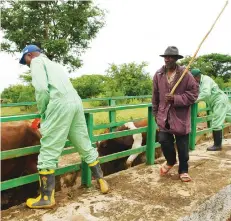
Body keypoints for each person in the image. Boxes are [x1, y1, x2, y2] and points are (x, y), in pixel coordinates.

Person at [19, 45, 109, 209]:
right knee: (83, 143)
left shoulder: (36, 63)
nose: (26, 64)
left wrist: (43, 111)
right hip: (75, 102)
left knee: (48, 149)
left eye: (25, 60)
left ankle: (46, 197)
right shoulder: (54, 65)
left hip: (59, 104)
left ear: (30, 55)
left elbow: (41, 90)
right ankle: (102, 181)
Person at [152, 46, 199, 182]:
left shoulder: (185, 75)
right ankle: (170, 161)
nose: (167, 59)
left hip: (180, 117)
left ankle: (183, 170)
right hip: (163, 116)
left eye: (170, 57)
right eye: (165, 57)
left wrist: (176, 98)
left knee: (182, 145)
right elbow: (155, 95)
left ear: (176, 59)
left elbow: (194, 94)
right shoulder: (158, 75)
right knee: (163, 140)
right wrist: (155, 113)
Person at [191, 68, 231, 151]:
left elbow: (205, 93)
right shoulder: (199, 83)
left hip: (219, 101)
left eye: (192, 78)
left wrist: (193, 100)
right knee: (228, 116)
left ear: (196, 77)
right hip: (218, 101)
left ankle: (217, 145)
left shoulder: (206, 80)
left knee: (216, 122)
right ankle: (217, 144)